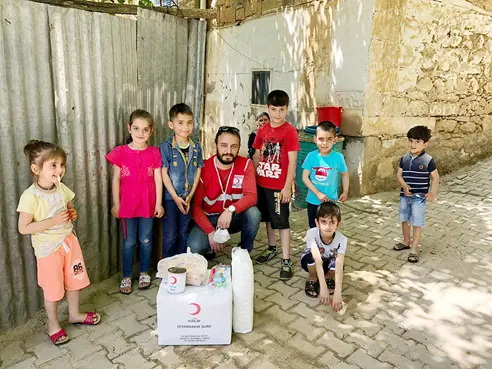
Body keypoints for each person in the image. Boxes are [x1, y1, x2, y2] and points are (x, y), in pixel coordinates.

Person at [17, 140, 100, 346]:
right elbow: (23, 228)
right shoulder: (30, 197)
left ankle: (74, 314)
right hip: (48, 251)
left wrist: (72, 214)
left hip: (69, 243)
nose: (60, 169)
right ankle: (53, 325)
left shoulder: (62, 189)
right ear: (36, 169)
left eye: (61, 164)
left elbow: (71, 210)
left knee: (75, 281)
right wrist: (52, 221)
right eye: (53, 165)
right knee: (53, 289)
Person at [106, 109, 164, 294]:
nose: (141, 133)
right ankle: (127, 276)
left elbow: (158, 179)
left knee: (146, 240)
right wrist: (116, 203)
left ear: (151, 131)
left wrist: (158, 203)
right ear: (129, 128)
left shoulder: (154, 153)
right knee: (129, 241)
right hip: (127, 207)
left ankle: (145, 272)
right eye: (137, 128)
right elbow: (115, 179)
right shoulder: (120, 152)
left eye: (145, 129)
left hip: (148, 205)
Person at [188, 126, 261, 258]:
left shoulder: (246, 164)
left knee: (254, 213)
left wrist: (230, 210)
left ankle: (243, 252)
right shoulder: (203, 168)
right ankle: (210, 247)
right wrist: (211, 233)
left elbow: (252, 196)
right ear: (215, 145)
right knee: (194, 248)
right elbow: (196, 208)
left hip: (233, 217)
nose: (228, 151)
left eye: (234, 146)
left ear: (239, 147)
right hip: (210, 219)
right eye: (223, 145)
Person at [252, 90, 300, 280]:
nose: (277, 114)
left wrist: (287, 186)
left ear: (287, 109)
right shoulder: (262, 130)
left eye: (282, 110)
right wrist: (252, 179)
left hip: (279, 187)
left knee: (282, 221)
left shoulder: (289, 131)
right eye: (274, 109)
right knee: (269, 219)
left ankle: (286, 258)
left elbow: (293, 160)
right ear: (267, 108)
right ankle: (271, 248)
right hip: (262, 183)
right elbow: (257, 155)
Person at [160, 103, 204, 258]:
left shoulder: (196, 146)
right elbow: (163, 173)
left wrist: (190, 195)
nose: (185, 127)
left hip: (187, 197)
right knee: (170, 234)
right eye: (180, 123)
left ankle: (181, 265)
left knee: (183, 232)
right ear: (171, 124)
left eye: (189, 122)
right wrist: (175, 197)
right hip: (171, 198)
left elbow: (198, 169)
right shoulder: (166, 147)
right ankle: (167, 268)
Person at [394, 125, 439, 263]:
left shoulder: (428, 160)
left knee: (417, 222)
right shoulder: (404, 158)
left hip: (419, 198)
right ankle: (406, 241)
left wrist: (432, 193)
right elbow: (399, 174)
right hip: (404, 196)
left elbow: (435, 177)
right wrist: (404, 185)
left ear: (425, 144)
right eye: (411, 140)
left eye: (417, 141)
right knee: (404, 219)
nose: (413, 144)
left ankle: (414, 249)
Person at [300, 202, 346, 312]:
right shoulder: (311, 233)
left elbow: (339, 265)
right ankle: (313, 278)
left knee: (336, 264)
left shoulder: (342, 239)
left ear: (338, 225)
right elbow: (317, 259)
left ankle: (328, 277)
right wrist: (323, 288)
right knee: (312, 259)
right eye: (323, 222)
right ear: (317, 222)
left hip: (328, 261)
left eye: (332, 222)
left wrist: (337, 293)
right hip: (313, 261)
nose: (327, 226)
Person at [302, 121, 349, 228]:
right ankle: (314, 245)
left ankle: (327, 245)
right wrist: (317, 193)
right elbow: (304, 177)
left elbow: (345, 174)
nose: (324, 143)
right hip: (313, 200)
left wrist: (345, 191)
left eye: (329, 139)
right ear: (315, 139)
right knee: (314, 228)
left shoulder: (338, 157)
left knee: (329, 228)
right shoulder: (311, 156)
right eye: (321, 139)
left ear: (335, 140)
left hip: (331, 201)